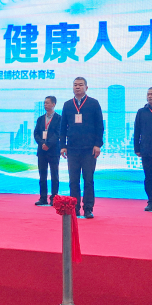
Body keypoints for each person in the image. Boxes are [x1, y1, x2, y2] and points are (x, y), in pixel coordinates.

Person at [59, 77, 104, 219]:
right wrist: (63, 146)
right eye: (75, 85)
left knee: (88, 180)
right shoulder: (67, 105)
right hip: (72, 149)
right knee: (73, 181)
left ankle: (88, 208)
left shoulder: (93, 103)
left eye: (80, 85)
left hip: (89, 149)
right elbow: (63, 127)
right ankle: (75, 208)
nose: (77, 87)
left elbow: (100, 126)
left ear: (86, 87)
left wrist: (97, 144)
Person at [34, 96, 61, 206]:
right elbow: (36, 133)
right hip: (42, 151)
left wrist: (48, 144)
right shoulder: (40, 119)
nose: (45, 105)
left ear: (54, 104)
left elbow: (58, 134)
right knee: (42, 175)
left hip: (53, 151)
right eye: (44, 103)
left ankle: (54, 198)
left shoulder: (59, 118)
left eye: (48, 103)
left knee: (54, 175)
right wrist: (42, 144)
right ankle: (43, 198)